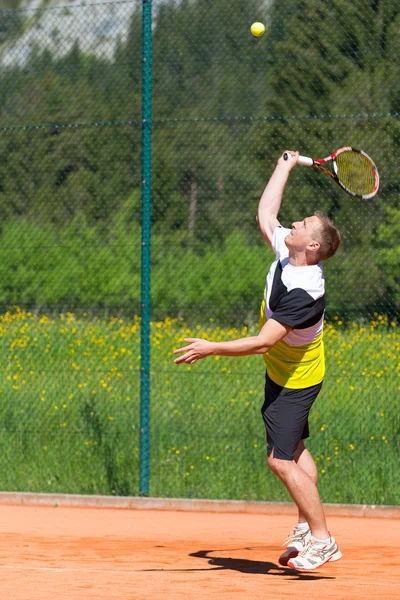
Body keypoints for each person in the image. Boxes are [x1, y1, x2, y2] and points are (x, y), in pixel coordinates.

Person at [174, 151, 343, 571]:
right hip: (285, 373)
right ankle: (307, 528)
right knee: (296, 451)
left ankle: (323, 540)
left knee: (279, 459)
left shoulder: (306, 292)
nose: (294, 224)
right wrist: (284, 166)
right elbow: (265, 214)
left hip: (296, 379)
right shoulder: (290, 252)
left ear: (313, 246)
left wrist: (211, 346)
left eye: (302, 225)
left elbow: (264, 343)